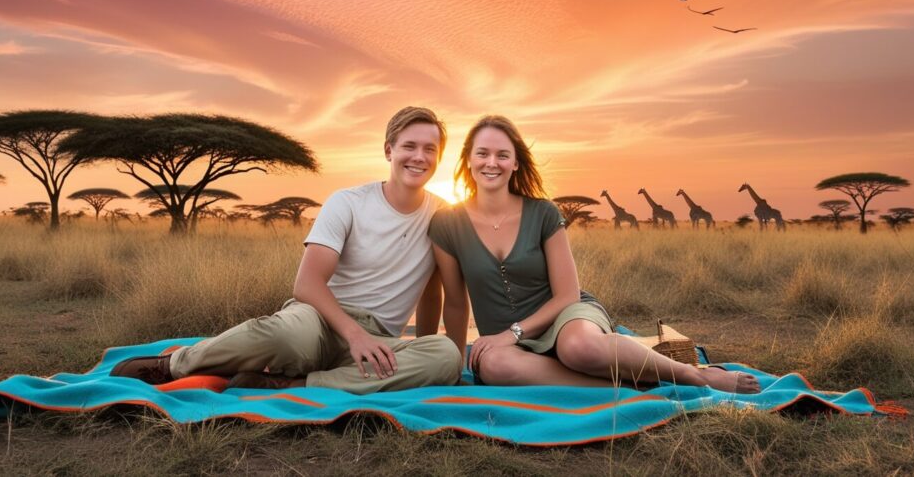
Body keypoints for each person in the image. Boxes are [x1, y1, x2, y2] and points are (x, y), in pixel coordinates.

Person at [111, 106, 463, 393]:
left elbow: (433, 291)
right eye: (409, 146)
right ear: (389, 150)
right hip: (318, 320)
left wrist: (427, 355)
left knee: (446, 356)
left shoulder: (441, 216)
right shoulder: (348, 202)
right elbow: (307, 285)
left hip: (379, 338)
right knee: (288, 334)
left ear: (439, 157)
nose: (419, 157)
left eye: (429, 149)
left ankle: (293, 383)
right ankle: (175, 364)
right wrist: (353, 335)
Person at [428, 115, 761, 394]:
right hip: (508, 347)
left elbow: (567, 294)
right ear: (468, 159)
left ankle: (693, 375)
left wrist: (510, 333)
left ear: (515, 162)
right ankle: (624, 390)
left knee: (579, 349)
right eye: (482, 153)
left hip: (566, 318)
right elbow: (456, 304)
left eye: (502, 154)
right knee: (495, 366)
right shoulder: (447, 224)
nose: (491, 163)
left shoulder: (542, 213)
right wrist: (456, 368)